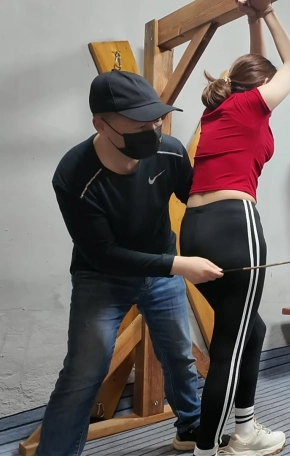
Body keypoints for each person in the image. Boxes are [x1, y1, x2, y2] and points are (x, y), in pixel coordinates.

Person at [39, 69, 227, 455]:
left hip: (161, 268)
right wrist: (180, 265)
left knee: (179, 355)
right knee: (83, 372)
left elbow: (196, 201)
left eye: (155, 120)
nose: (152, 130)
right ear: (100, 125)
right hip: (101, 277)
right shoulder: (73, 176)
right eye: (139, 124)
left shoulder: (169, 152)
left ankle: (190, 427)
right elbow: (103, 253)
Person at [177, 0, 290, 454]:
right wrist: (268, 12)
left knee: (251, 330)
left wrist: (251, 20)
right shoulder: (251, 105)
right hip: (235, 226)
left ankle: (245, 431)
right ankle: (209, 448)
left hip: (195, 228)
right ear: (262, 86)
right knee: (229, 345)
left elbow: (260, 64)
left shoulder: (221, 110)